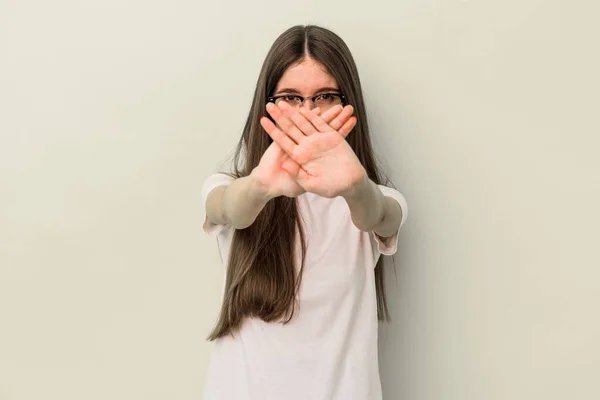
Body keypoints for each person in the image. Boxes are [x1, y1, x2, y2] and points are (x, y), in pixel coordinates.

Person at [201, 25, 408, 400]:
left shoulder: (371, 196)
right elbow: (229, 208)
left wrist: (356, 186)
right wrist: (261, 185)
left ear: (348, 104)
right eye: (291, 98)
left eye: (325, 96)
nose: (308, 112)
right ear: (267, 103)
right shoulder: (233, 186)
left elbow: (380, 215)